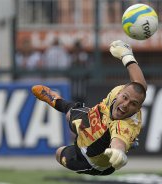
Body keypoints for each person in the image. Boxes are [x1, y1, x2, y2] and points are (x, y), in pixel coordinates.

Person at [31, 40, 147, 175]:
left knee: (59, 153)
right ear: (120, 92)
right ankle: (55, 100)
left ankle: (129, 142)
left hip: (90, 159)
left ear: (138, 108)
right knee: (71, 112)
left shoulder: (126, 126)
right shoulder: (121, 90)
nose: (126, 104)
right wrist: (127, 55)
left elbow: (118, 141)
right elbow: (139, 84)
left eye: (133, 104)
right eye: (125, 98)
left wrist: (118, 153)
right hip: (93, 120)